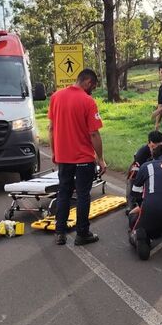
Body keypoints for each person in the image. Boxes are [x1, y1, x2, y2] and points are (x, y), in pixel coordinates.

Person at [48, 69, 107, 246]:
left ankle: (60, 232)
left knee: (63, 193)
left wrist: (54, 152)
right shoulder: (88, 101)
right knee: (82, 195)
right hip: (83, 159)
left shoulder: (56, 97)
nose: (93, 90)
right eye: (93, 87)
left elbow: (51, 128)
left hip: (63, 158)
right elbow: (94, 134)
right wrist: (101, 158)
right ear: (88, 82)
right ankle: (82, 233)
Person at [126, 130, 162, 211]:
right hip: (143, 170)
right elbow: (139, 174)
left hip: (160, 171)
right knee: (133, 177)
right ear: (149, 144)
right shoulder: (141, 154)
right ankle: (131, 204)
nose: (156, 150)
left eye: (159, 147)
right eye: (153, 147)